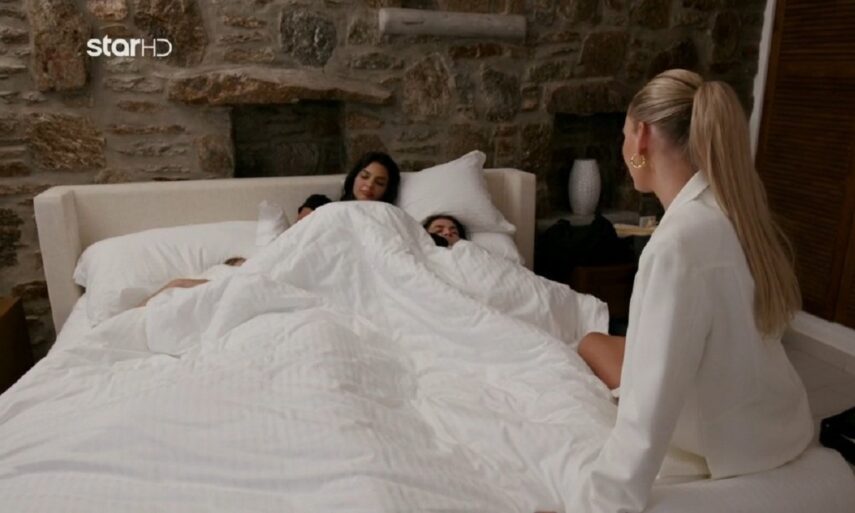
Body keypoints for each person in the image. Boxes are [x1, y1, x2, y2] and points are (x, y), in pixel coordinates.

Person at [572, 69, 812, 513]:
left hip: (729, 443)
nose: (624, 149)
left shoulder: (677, 244)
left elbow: (646, 416)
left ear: (642, 136)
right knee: (593, 340)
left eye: (624, 135)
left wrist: (596, 505)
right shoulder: (731, 211)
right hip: (780, 423)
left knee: (590, 343)